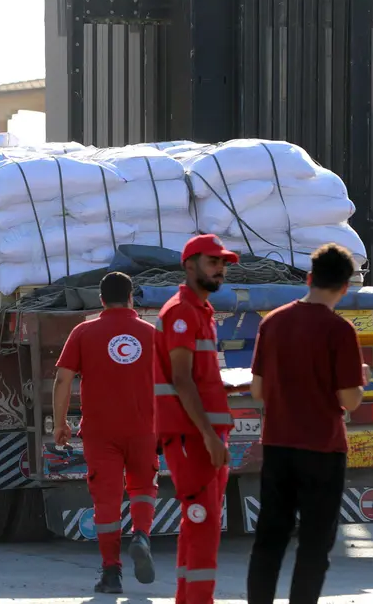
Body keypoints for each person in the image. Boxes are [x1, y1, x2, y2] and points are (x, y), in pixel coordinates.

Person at [246, 243, 369, 604]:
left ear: (309, 277)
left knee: (269, 539)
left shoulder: (273, 322)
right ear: (346, 287)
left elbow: (257, 391)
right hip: (323, 449)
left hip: (278, 446)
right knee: (314, 545)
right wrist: (361, 379)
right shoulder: (340, 331)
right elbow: (349, 400)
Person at [53, 271, 158, 594]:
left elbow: (62, 380)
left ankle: (111, 573)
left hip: (100, 432)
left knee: (107, 502)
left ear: (100, 299)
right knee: (143, 487)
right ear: (131, 298)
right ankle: (141, 534)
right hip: (143, 427)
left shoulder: (84, 332)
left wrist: (60, 424)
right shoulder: (152, 334)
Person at [154, 234, 237, 604]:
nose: (219, 269)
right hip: (192, 436)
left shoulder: (200, 311)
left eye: (222, 263)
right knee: (203, 522)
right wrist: (207, 435)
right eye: (212, 262)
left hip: (204, 432)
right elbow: (181, 378)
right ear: (189, 266)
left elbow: (197, 378)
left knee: (199, 522)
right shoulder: (182, 312)